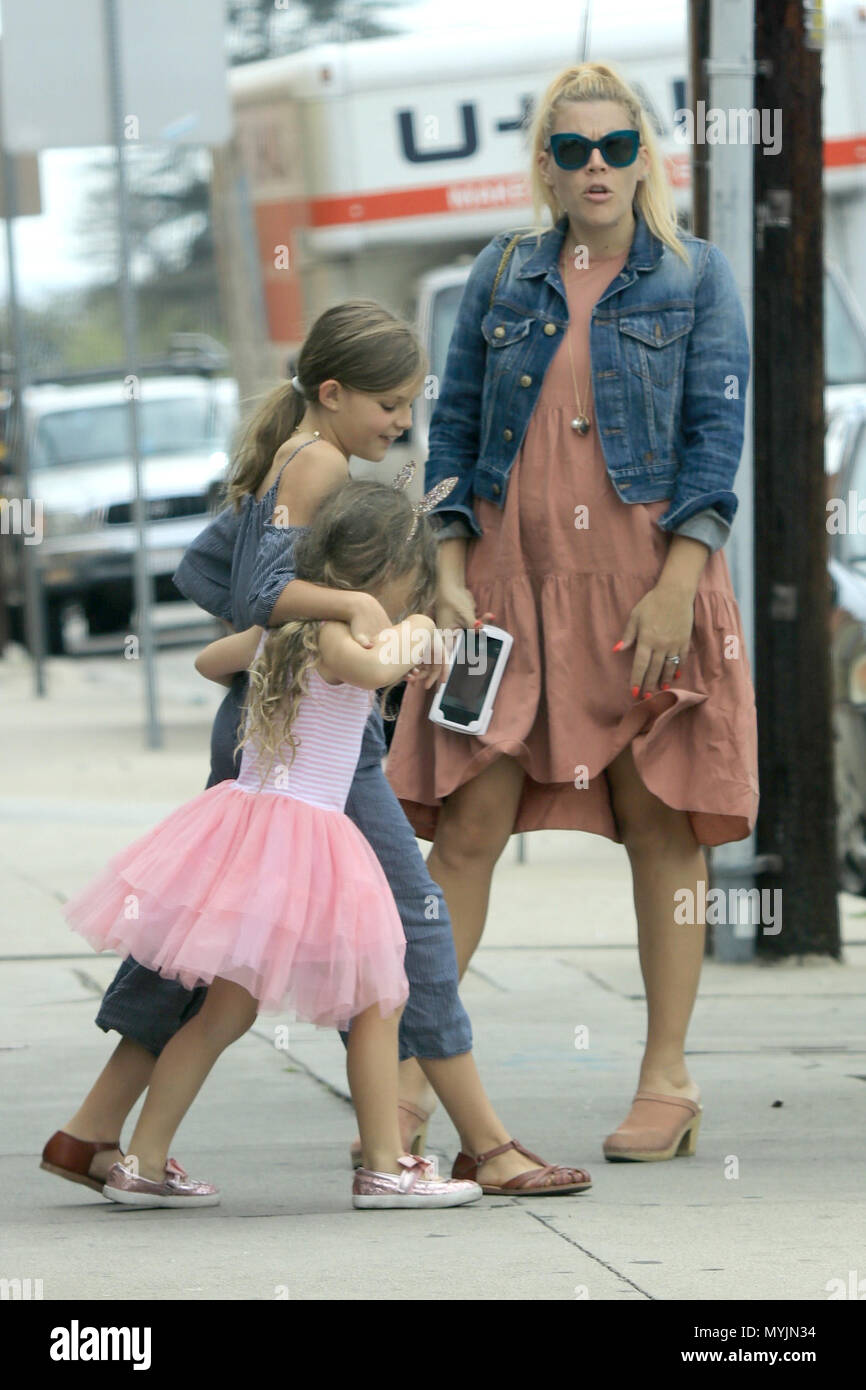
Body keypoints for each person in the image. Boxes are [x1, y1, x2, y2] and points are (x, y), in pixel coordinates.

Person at [41, 301, 591, 1200]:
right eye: (392, 403)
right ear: (333, 394)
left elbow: (244, 621)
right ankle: (460, 1145)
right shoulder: (321, 458)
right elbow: (265, 591)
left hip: (277, 732)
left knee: (207, 945)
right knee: (407, 924)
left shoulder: (306, 449)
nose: (405, 421)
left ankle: (99, 1131)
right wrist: (373, 615)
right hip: (307, 750)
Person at [385, 63, 760, 1163]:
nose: (592, 167)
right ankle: (411, 1080)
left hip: (648, 586)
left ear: (645, 155)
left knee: (660, 826)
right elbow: (447, 435)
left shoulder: (695, 277)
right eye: (568, 149)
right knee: (463, 829)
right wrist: (447, 564)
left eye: (612, 146)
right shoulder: (499, 277)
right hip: (505, 589)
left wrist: (679, 586)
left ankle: (667, 1079)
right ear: (543, 166)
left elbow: (712, 439)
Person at [62, 481, 488, 1210]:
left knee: (224, 1013)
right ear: (383, 576)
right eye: (409, 582)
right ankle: (383, 1165)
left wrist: (270, 650)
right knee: (381, 996)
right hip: (307, 837)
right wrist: (417, 631)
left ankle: (143, 1159)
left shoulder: (283, 632)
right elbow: (379, 671)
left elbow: (206, 663)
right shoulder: (338, 637)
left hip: (247, 825)